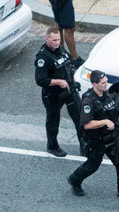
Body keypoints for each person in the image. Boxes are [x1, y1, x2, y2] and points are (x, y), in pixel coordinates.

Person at [67, 70, 119, 200]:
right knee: (92, 166)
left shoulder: (105, 93)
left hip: (113, 137)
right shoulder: (88, 101)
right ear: (94, 84)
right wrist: (104, 122)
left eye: (106, 82)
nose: (106, 85)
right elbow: (86, 124)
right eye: (103, 83)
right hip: (98, 140)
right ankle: (75, 180)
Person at [34, 27, 85, 157]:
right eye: (54, 40)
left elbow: (68, 63)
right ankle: (52, 146)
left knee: (80, 118)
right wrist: (59, 82)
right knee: (53, 121)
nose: (57, 42)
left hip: (68, 90)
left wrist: (72, 77)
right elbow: (40, 80)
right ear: (47, 39)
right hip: (52, 95)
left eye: (58, 39)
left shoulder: (60, 49)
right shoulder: (43, 57)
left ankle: (85, 145)